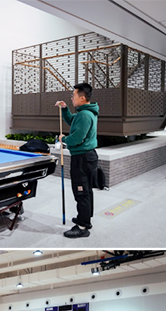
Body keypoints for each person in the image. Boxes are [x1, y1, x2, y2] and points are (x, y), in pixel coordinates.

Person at [55, 83, 100, 239]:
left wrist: (64, 139)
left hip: (82, 158)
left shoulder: (85, 115)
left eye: (73, 96)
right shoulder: (85, 112)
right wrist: (65, 108)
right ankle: (85, 219)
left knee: (81, 192)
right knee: (86, 191)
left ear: (82, 97)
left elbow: (77, 138)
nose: (72, 98)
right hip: (86, 157)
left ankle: (82, 227)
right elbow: (71, 120)